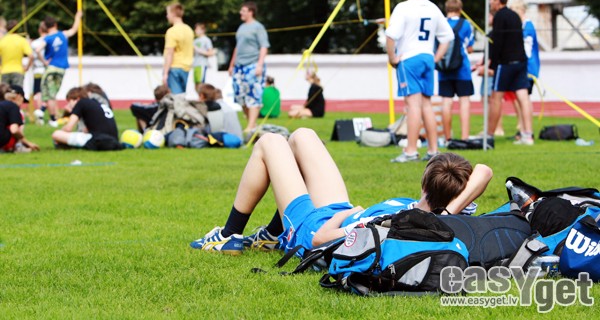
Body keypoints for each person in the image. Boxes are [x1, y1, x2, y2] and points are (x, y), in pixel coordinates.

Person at [190, 127, 493, 255]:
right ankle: (270, 235)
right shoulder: (448, 210)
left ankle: (228, 236)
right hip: (339, 210)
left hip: (313, 228)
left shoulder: (396, 222)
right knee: (303, 136)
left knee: (270, 142)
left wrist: (349, 216)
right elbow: (484, 172)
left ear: (424, 184)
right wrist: (449, 212)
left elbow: (320, 240)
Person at [386, 0, 454, 163]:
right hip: (427, 57)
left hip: (409, 58)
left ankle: (410, 150)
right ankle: (433, 150)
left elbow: (390, 36)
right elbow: (447, 37)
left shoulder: (403, 8)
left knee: (412, 105)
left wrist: (392, 58)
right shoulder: (432, 7)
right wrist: (435, 58)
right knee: (426, 105)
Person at [487, 0, 534, 145]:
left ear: (497, 0)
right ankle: (528, 135)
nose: (490, 2)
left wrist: (492, 65)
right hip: (521, 62)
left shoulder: (499, 16)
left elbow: (498, 43)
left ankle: (489, 135)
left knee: (495, 98)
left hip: (506, 63)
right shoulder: (514, 15)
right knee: (523, 97)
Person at [34, 11, 83, 127]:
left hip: (51, 68)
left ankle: (51, 118)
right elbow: (74, 29)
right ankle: (43, 111)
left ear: (46, 26)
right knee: (53, 93)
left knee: (49, 94)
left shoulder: (47, 38)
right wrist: (78, 17)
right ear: (55, 24)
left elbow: (37, 50)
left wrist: (44, 62)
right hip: (62, 68)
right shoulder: (63, 34)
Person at [228, 1, 270, 133]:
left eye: (243, 11)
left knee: (253, 96)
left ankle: (251, 126)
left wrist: (259, 65)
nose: (240, 13)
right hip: (239, 66)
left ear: (251, 12)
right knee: (240, 97)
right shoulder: (241, 27)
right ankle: (251, 124)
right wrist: (231, 65)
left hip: (252, 65)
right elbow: (237, 47)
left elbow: (264, 46)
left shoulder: (258, 27)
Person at [437, 0, 475, 142]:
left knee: (446, 102)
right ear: (460, 9)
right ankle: (465, 137)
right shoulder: (465, 24)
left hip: (444, 69)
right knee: (464, 102)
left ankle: (448, 137)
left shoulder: (441, 24)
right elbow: (469, 47)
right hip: (462, 69)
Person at [503, 0, 540, 140]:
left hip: (528, 68)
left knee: (524, 99)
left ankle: (527, 131)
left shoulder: (527, 27)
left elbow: (526, 49)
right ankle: (523, 129)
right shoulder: (521, 26)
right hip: (524, 66)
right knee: (520, 99)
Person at [51, 86, 120, 150]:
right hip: (115, 141)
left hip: (100, 141)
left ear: (77, 99)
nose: (69, 105)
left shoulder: (81, 103)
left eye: (69, 102)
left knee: (56, 134)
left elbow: (68, 128)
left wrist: (61, 132)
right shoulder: (96, 103)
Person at [163, 3, 194, 95]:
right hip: (186, 69)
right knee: (182, 96)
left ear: (173, 14)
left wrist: (165, 73)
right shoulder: (189, 30)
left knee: (176, 98)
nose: (167, 16)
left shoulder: (172, 31)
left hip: (174, 68)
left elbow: (170, 53)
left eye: (168, 13)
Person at [0, 86, 39, 153]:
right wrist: (28, 143)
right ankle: (18, 146)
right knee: (16, 123)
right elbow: (14, 130)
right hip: (2, 141)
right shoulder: (13, 106)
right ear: (18, 96)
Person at [0, 19, 34, 87]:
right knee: (17, 92)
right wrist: (27, 67)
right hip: (18, 70)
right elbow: (31, 56)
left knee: (4, 92)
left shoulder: (2, 41)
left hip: (4, 71)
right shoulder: (22, 40)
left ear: (6, 28)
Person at [30, 21, 48, 124]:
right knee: (50, 93)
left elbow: (32, 56)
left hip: (37, 70)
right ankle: (51, 116)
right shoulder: (51, 40)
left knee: (39, 93)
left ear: (39, 30)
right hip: (49, 69)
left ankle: (40, 115)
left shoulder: (35, 43)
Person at [192, 23, 215, 89]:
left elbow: (211, 53)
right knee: (196, 86)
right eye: (195, 29)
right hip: (195, 65)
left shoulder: (206, 40)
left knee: (201, 84)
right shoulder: (195, 40)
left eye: (197, 29)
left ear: (203, 30)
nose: (196, 31)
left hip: (202, 64)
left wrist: (198, 50)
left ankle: (203, 95)